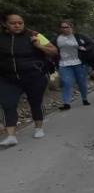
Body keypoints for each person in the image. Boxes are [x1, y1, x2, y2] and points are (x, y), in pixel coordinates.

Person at [0, 12, 58, 146]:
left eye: (20, 23)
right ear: (4, 24)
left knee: (35, 103)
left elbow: (54, 51)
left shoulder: (34, 35)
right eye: (13, 23)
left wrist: (39, 46)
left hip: (34, 76)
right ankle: (11, 136)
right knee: (8, 104)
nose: (17, 25)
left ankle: (38, 128)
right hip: (8, 78)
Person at [55, 20, 94, 110]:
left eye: (67, 27)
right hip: (64, 64)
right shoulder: (57, 38)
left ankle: (84, 99)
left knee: (82, 82)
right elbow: (51, 47)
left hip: (79, 63)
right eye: (62, 27)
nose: (64, 29)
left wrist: (85, 48)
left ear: (72, 28)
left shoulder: (78, 36)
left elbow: (91, 44)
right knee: (66, 83)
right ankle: (66, 103)